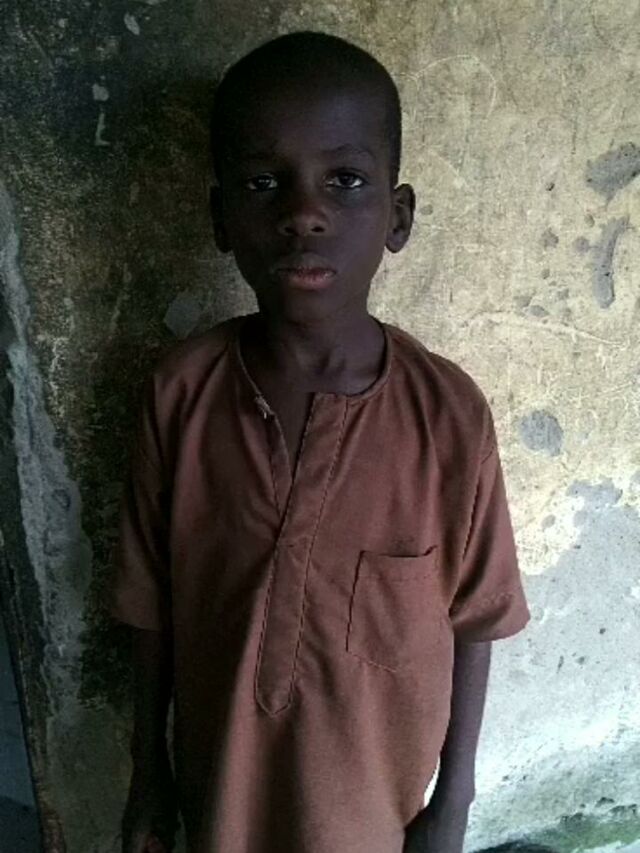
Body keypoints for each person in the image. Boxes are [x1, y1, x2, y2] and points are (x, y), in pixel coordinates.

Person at [111, 30, 530, 853]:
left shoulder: (449, 415)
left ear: (397, 217)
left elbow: (476, 619)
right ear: (221, 218)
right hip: (219, 807)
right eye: (263, 183)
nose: (303, 213)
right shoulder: (181, 393)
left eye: (345, 180)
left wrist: (454, 804)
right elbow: (148, 605)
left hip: (376, 820)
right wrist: (147, 776)